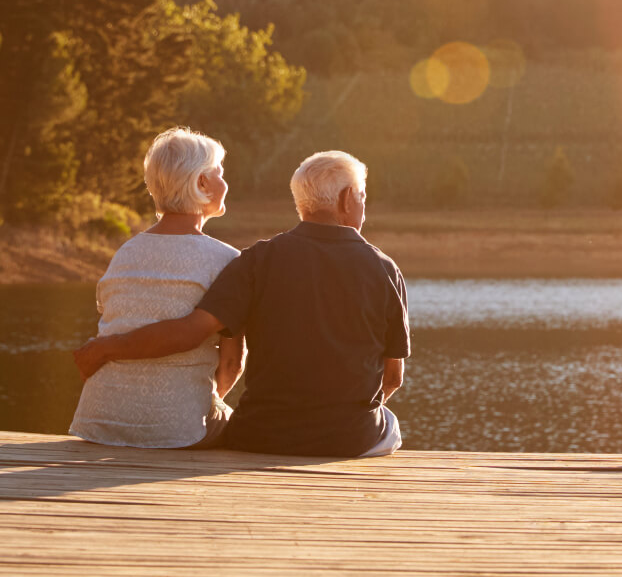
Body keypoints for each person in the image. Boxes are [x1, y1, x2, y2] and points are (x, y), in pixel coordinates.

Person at [73, 150, 409, 458]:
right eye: (363, 197)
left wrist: (107, 347)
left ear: (301, 203)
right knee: (389, 424)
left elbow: (200, 336)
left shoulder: (255, 261)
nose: (363, 207)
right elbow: (392, 379)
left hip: (261, 435)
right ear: (348, 200)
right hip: (351, 439)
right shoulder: (385, 270)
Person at [70, 127, 244, 449]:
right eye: (219, 173)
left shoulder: (125, 253)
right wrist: (195, 406)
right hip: (178, 430)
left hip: (99, 422)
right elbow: (232, 365)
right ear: (202, 183)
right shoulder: (227, 260)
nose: (225, 183)